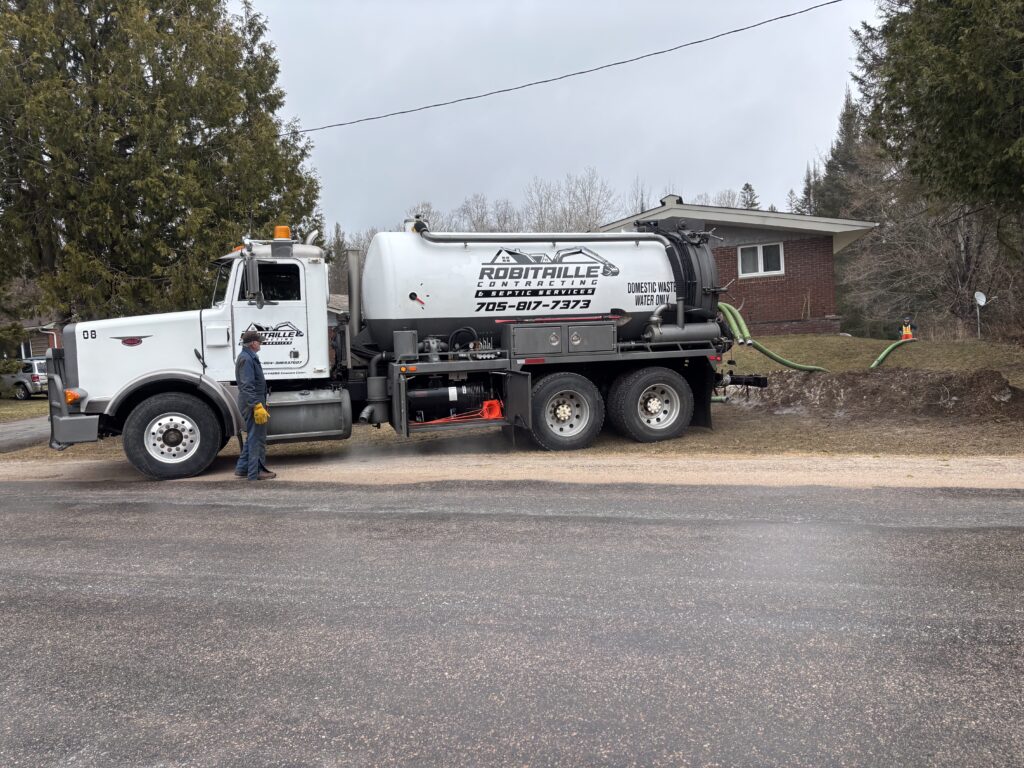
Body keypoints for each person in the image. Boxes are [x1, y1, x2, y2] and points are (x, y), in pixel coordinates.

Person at [234, 330, 276, 480]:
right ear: (253, 343)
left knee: (252, 435)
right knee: (256, 437)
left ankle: (242, 468)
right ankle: (256, 472)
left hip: (252, 401)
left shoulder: (248, 356)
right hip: (252, 403)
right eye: (259, 341)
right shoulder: (247, 359)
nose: (261, 344)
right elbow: (246, 385)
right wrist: (256, 405)